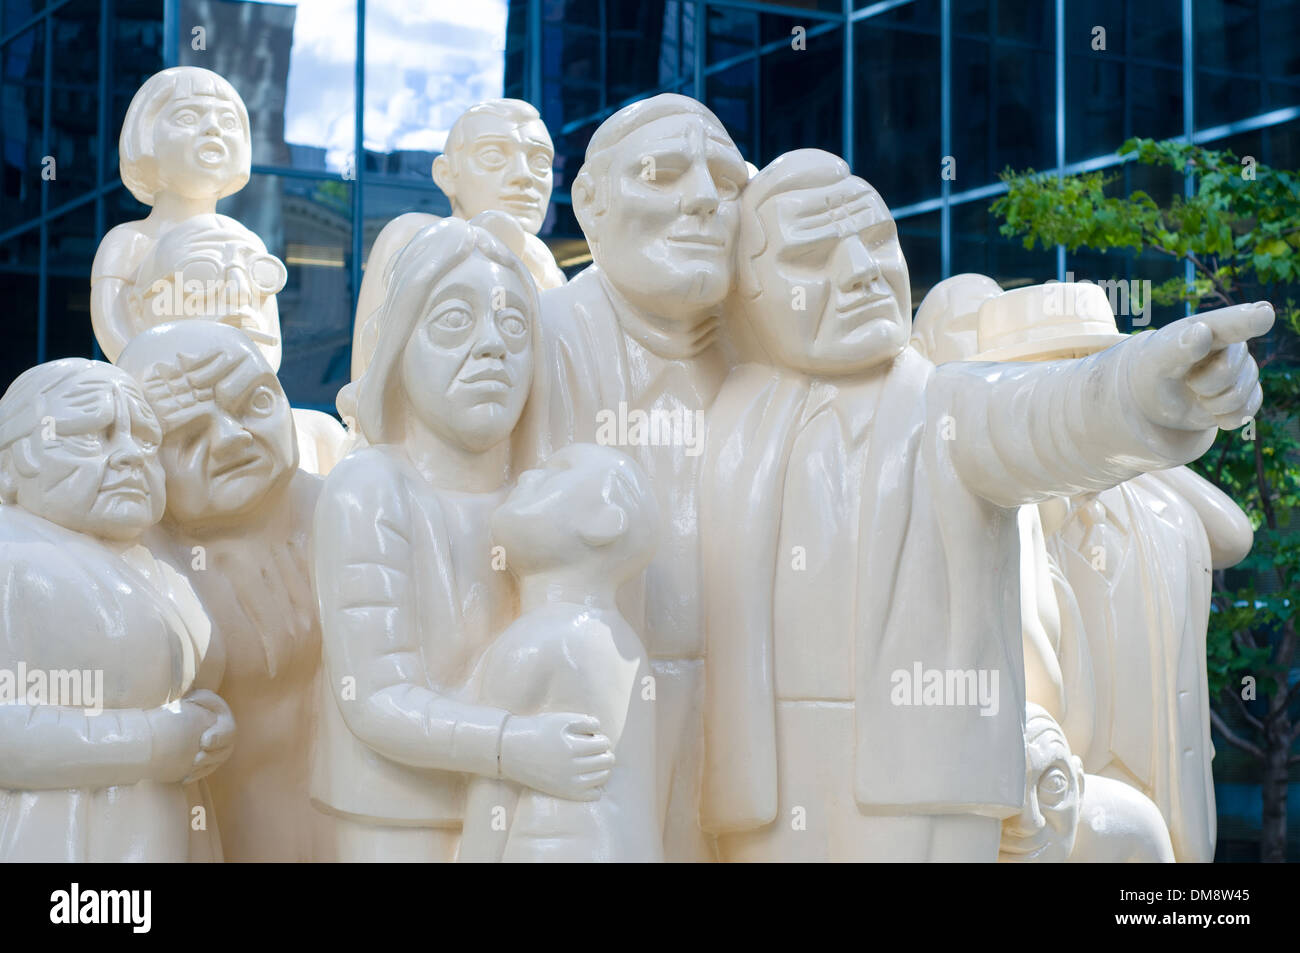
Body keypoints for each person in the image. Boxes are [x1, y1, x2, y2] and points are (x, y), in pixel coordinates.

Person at [701, 148, 1269, 861]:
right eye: (812, 255)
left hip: (923, 786)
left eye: (876, 241)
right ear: (748, 292)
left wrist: (1152, 386)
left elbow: (1051, 412)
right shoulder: (724, 419)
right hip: (765, 796)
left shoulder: (949, 404)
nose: (859, 272)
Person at [311, 217, 613, 862]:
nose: (491, 348)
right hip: (398, 813)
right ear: (398, 347)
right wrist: (516, 747)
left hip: (533, 811)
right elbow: (374, 696)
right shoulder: (368, 489)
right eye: (453, 321)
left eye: (514, 328)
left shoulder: (549, 497)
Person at [521, 93, 750, 861]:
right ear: (589, 203)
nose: (702, 200)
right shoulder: (541, 341)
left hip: (746, 704)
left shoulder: (766, 351)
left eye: (725, 179)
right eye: (665, 174)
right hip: (590, 709)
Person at [0, 359, 232, 861]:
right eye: (90, 435)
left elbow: (188, 690)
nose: (130, 454)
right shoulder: (9, 553)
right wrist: (149, 742)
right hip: (58, 837)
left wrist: (209, 726)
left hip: (166, 827)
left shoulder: (159, 568)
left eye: (146, 440)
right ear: (8, 465)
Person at [119, 321, 330, 862]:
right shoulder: (130, 559)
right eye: (187, 437)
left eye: (255, 402)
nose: (233, 438)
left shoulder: (347, 507)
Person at [461, 444, 660, 862]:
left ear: (603, 523)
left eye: (556, 471)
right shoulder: (625, 645)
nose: (527, 476)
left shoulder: (538, 639)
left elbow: (493, 791)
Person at [350, 99, 564, 386]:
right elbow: (367, 382)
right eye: (493, 156)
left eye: (539, 162)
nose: (524, 176)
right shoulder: (414, 236)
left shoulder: (546, 265)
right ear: (446, 175)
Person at [92, 67, 253, 363]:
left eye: (228, 121)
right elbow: (111, 325)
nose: (213, 129)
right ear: (144, 136)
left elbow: (265, 334)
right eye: (188, 117)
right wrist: (154, 372)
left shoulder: (245, 242)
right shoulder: (128, 241)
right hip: (158, 390)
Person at [999, 705, 1173, 863]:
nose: (1027, 823)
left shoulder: (1133, 820)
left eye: (1054, 785)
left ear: (1079, 788)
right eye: (999, 793)